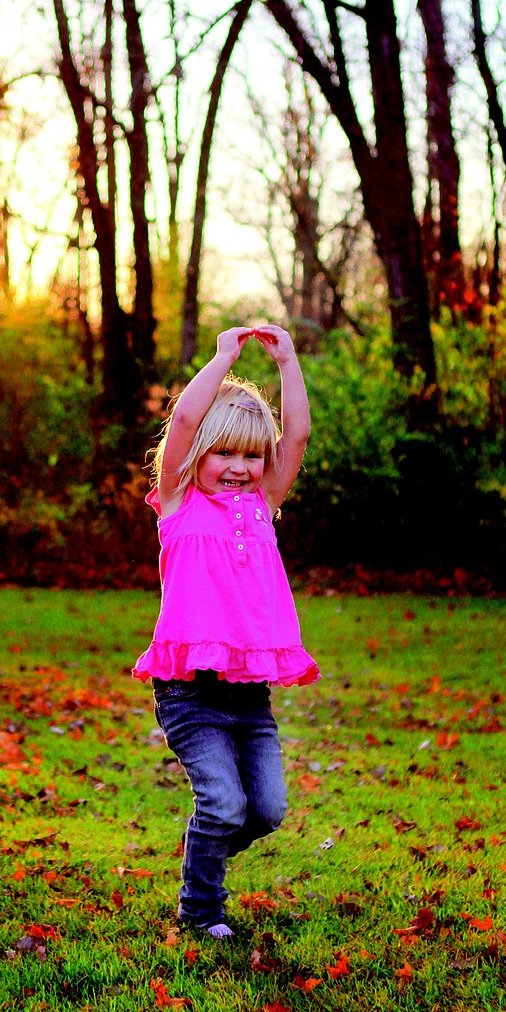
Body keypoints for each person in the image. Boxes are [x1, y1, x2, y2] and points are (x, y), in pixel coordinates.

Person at [133, 325, 320, 938]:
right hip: (189, 691)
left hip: (247, 695)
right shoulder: (179, 503)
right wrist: (222, 359)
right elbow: (184, 419)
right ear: (196, 459)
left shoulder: (263, 505)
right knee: (223, 803)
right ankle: (200, 911)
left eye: (251, 455)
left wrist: (287, 361)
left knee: (267, 810)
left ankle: (202, 861)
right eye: (225, 453)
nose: (240, 468)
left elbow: (296, 436)